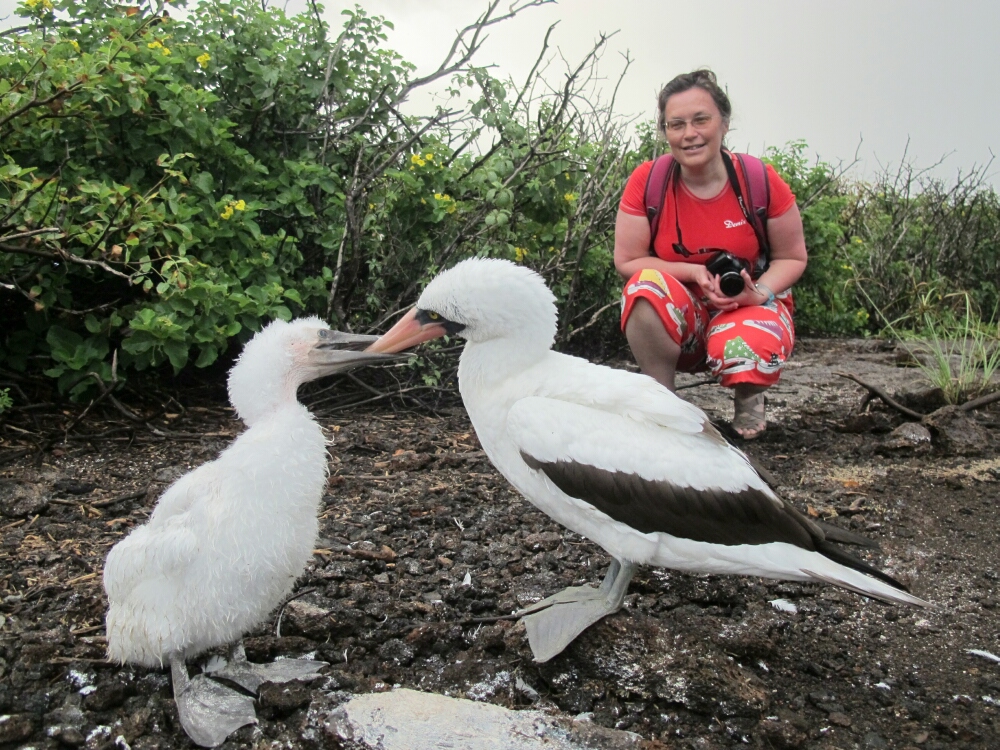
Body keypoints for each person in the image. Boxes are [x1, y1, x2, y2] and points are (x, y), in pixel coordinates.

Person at [614, 69, 807, 439]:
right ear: (665, 131)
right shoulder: (648, 182)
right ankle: (663, 403)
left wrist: (759, 292)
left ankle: (749, 400)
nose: (690, 134)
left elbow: (792, 258)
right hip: (686, 312)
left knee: (748, 339)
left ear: (724, 122)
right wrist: (692, 273)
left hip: (748, 305)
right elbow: (628, 261)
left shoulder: (759, 181)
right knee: (644, 287)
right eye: (676, 124)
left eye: (701, 119)